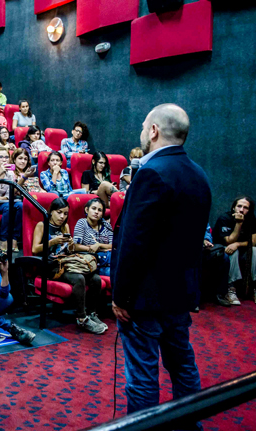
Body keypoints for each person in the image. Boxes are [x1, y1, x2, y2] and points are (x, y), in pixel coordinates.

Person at [112, 104, 210, 424]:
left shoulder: (151, 173)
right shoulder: (199, 175)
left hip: (144, 299)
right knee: (183, 367)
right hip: (179, 295)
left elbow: (134, 243)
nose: (142, 132)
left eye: (144, 126)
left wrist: (121, 297)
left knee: (142, 377)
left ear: (153, 131)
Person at [31, 197, 106, 334]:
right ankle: (81, 318)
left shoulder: (64, 226)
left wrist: (70, 245)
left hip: (66, 263)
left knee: (96, 279)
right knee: (79, 279)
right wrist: (54, 242)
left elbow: (68, 250)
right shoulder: (42, 225)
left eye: (65, 214)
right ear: (51, 211)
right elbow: (35, 249)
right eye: (59, 212)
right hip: (50, 266)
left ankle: (92, 313)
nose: (62, 216)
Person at [213, 195, 256, 306]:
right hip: (223, 250)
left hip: (240, 248)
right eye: (239, 206)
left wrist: (237, 244)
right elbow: (228, 242)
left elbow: (253, 242)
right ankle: (230, 288)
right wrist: (238, 223)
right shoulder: (225, 218)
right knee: (232, 250)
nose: (241, 210)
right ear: (233, 208)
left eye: (245, 207)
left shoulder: (251, 219)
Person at [73, 198, 113, 275]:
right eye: (93, 208)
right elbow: (76, 246)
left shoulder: (106, 225)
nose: (96, 212)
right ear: (87, 210)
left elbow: (113, 245)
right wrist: (93, 249)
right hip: (92, 262)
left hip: (109, 260)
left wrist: (98, 245)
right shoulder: (82, 223)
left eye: (99, 210)